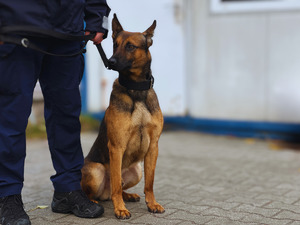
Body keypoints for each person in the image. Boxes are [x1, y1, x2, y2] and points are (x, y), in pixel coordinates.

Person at [0, 1, 111, 224]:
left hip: (67, 32)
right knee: (10, 118)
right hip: (16, 27)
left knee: (67, 117)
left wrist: (97, 17)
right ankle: (6, 195)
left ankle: (68, 190)